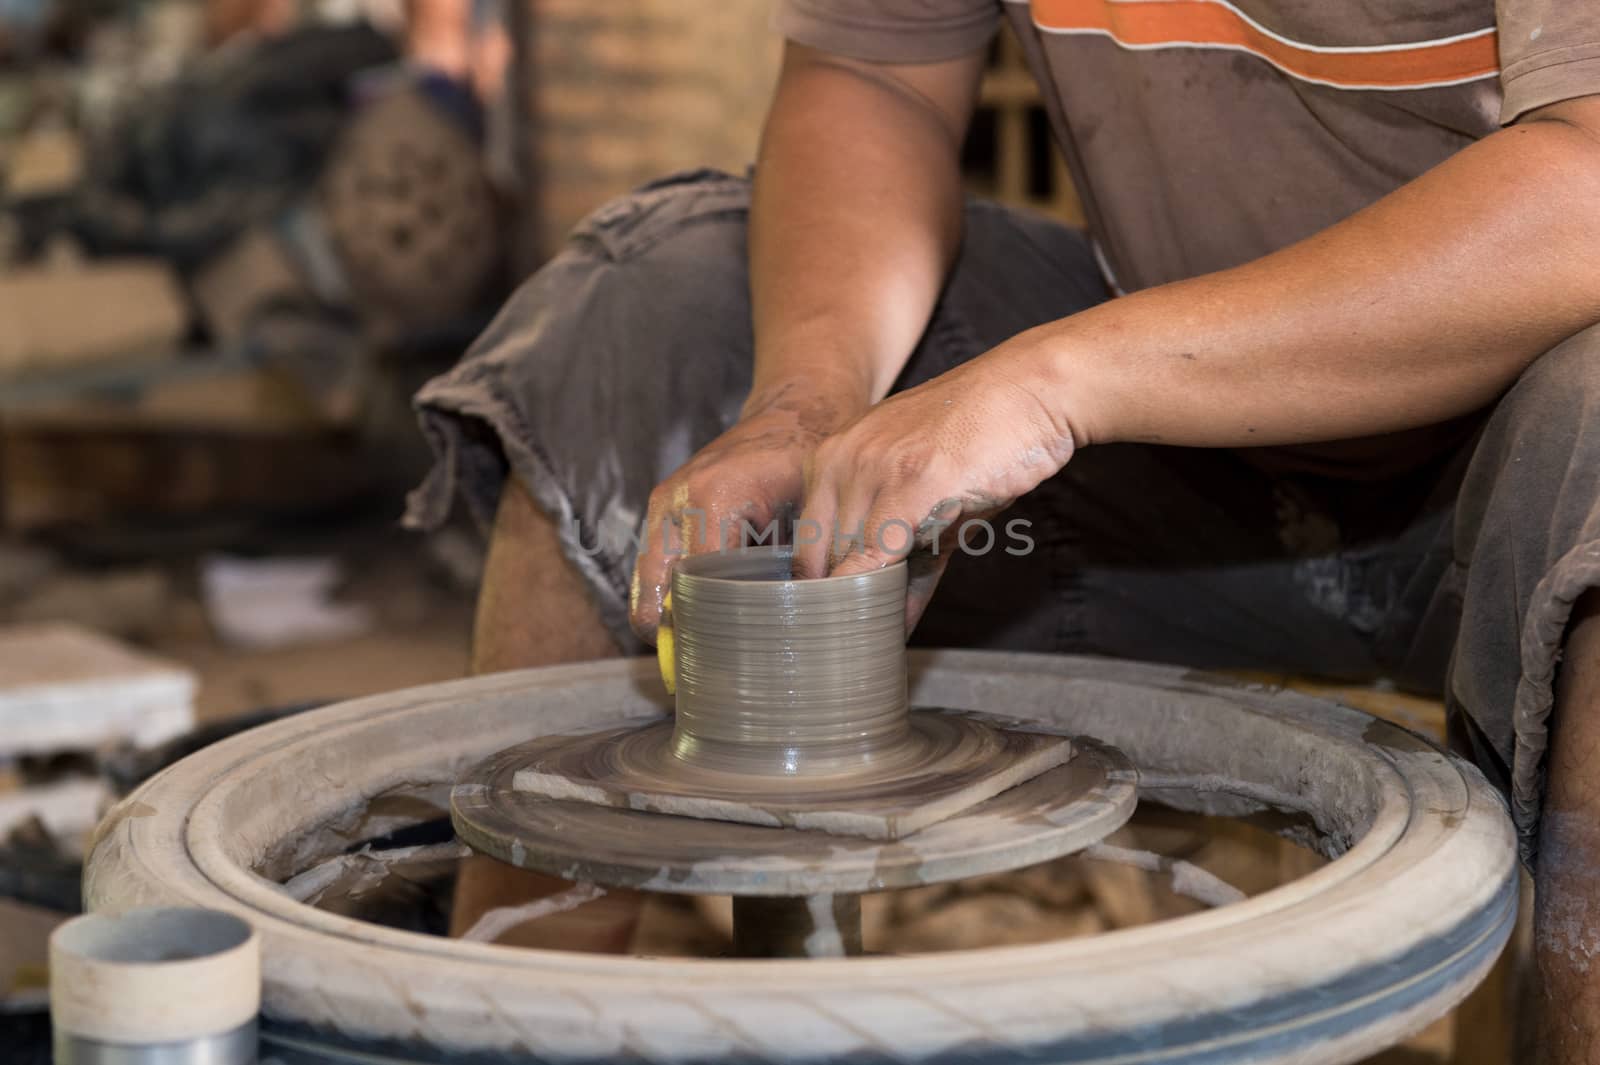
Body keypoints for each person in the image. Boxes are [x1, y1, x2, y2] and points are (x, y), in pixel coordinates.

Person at [408, 0, 1600, 1056]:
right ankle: (502, 1025)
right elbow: (874, 77)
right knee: (648, 320)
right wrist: (809, 401)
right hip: (1185, 459)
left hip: (1524, 448)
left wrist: (1053, 385)